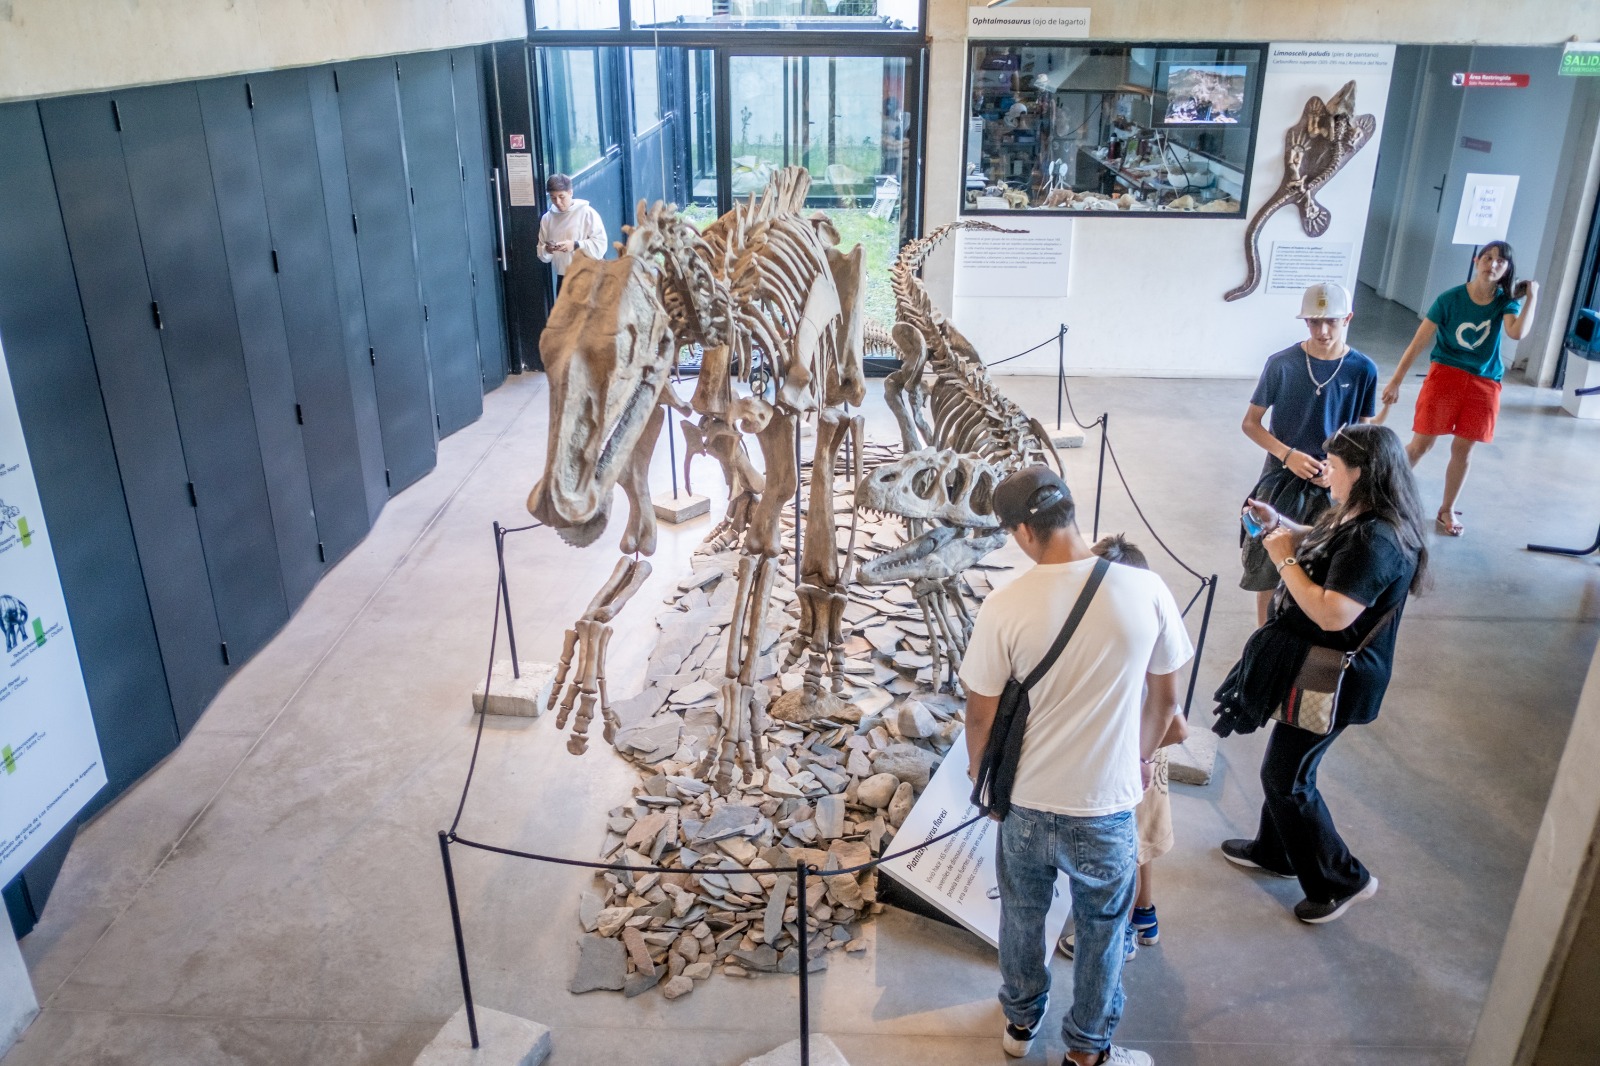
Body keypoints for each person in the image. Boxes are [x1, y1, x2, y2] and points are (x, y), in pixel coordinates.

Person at [961, 468, 1194, 1066]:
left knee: (1021, 915)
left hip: (1027, 804)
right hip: (1106, 806)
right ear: (1068, 511)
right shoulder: (1148, 590)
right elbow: (1167, 703)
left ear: (1020, 531)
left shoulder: (1004, 605)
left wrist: (981, 779)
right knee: (1102, 928)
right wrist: (1138, 759)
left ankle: (1019, 1024)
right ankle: (1088, 1050)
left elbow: (981, 715)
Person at [1222, 424, 1428, 923]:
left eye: (1334, 468)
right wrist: (1282, 525)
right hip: (1311, 667)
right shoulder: (1359, 513)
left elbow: (1332, 613)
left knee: (1286, 777)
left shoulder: (1379, 539)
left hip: (1335, 679)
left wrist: (1282, 557)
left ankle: (1343, 880)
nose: (1325, 475)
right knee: (1287, 767)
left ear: (1363, 473)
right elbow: (1323, 538)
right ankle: (1278, 851)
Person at [1058, 535, 1189, 962]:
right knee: (1137, 846)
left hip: (1135, 759)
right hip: (1142, 756)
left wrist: (1136, 756)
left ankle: (1122, 933)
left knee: (1121, 849)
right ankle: (1144, 914)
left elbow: (1177, 723)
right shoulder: (1140, 623)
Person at [1241, 282, 1378, 626]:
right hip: (1281, 478)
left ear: (1348, 318)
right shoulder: (1281, 364)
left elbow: (1365, 434)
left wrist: (1337, 470)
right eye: (1314, 322)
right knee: (1268, 560)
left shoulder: (1363, 370)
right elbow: (1251, 424)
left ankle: (1304, 630)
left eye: (1331, 321)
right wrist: (1288, 456)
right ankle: (1264, 634)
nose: (1323, 330)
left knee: (1325, 560)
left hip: (1334, 482)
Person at [1381, 241, 1539, 536]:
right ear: (1477, 260)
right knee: (1420, 445)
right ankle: (1381, 497)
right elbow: (1418, 342)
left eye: (1501, 261)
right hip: (1445, 377)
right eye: (1488, 258)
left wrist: (1532, 298)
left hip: (1484, 383)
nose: (1493, 264)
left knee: (1463, 450)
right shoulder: (1449, 299)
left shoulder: (1505, 302)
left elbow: (1516, 332)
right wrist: (1396, 380)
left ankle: (1447, 509)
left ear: (1507, 270)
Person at [537, 174, 607, 293]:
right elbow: (541, 253)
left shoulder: (587, 213)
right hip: (564, 277)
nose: (558, 202)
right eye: (553, 198)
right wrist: (548, 250)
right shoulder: (547, 219)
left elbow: (601, 245)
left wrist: (575, 245)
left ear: (570, 192)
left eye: (561, 196)